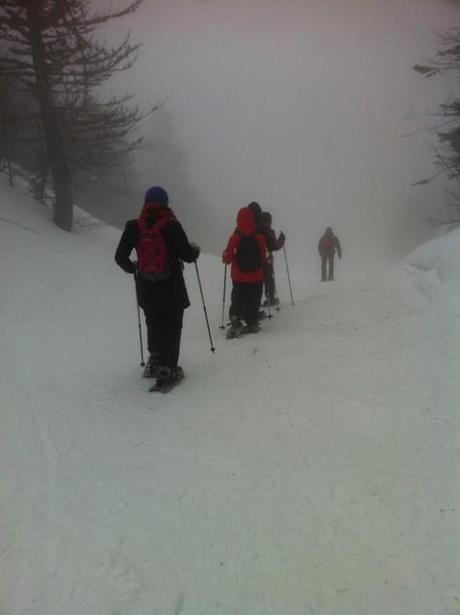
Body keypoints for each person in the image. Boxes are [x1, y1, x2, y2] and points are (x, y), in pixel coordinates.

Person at [115, 186, 200, 390]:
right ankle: (168, 368)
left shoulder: (134, 226)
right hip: (171, 285)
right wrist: (195, 250)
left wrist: (134, 268)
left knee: (153, 322)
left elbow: (120, 257)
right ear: (165, 203)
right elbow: (188, 255)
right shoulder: (172, 226)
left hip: (146, 285)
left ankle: (155, 360)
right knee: (172, 326)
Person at [222, 206, 267, 337]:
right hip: (256, 277)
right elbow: (262, 256)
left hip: (239, 278)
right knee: (254, 300)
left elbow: (228, 257)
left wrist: (224, 256)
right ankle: (252, 322)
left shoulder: (235, 237)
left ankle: (236, 321)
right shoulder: (258, 237)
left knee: (237, 300)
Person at [260, 211, 285, 306]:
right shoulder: (269, 232)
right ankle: (270, 298)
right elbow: (275, 246)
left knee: (259, 280)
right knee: (269, 278)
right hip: (268, 259)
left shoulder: (257, 231)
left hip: (258, 260)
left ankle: (256, 301)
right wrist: (282, 239)